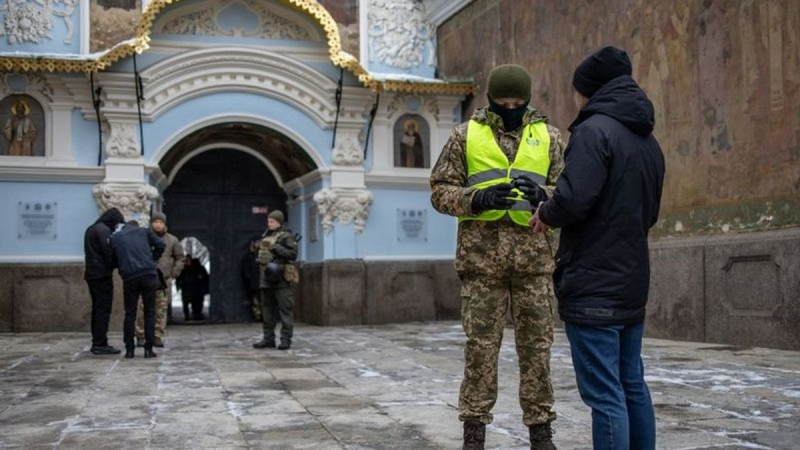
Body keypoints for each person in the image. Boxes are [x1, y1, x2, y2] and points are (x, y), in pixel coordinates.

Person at [530, 46, 665, 450]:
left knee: (605, 396)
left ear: (590, 91)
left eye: (579, 92)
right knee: (631, 384)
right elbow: (650, 212)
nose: (578, 100)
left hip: (593, 282)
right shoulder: (648, 141)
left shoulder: (593, 131)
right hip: (631, 279)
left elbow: (574, 199)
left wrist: (546, 212)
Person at [430, 64, 566, 450]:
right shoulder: (464, 137)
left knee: (537, 350)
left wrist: (546, 197)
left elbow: (572, 190)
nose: (510, 108)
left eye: (518, 103)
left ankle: (541, 432)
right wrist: (477, 199)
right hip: (481, 264)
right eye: (502, 102)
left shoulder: (550, 138)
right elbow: (440, 190)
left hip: (535, 263)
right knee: (480, 351)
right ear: (489, 99)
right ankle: (474, 433)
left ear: (528, 100)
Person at [110, 220, 165, 359]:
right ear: (137, 226)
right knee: (150, 312)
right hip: (148, 275)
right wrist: (152, 259)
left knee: (130, 313)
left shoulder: (116, 237)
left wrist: (123, 266)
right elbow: (161, 244)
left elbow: (112, 256)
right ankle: (148, 349)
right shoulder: (144, 232)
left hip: (130, 277)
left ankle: (129, 350)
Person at [135, 212, 184, 348]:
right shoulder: (144, 237)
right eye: (155, 222)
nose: (158, 224)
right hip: (145, 277)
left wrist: (174, 272)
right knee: (141, 307)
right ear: (151, 223)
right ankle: (140, 335)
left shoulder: (172, 240)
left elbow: (180, 257)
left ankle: (157, 335)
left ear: (164, 224)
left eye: (160, 222)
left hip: (163, 280)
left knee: (161, 309)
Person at [252, 210, 298, 351]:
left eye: (272, 221)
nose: (269, 223)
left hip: (281, 279)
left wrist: (276, 247)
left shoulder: (286, 236)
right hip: (266, 277)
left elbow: (292, 254)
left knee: (285, 310)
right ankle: (268, 339)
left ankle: (285, 340)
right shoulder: (266, 234)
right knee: (267, 311)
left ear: (279, 222)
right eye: (268, 221)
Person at [84, 208, 125, 355]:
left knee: (97, 309)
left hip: (92, 274)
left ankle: (97, 341)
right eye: (117, 223)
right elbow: (108, 254)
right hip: (101, 275)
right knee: (103, 310)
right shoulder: (104, 231)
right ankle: (100, 343)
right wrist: (117, 262)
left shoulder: (92, 229)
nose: (116, 227)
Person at [176, 256, 209, 321]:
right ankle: (187, 316)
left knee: (196, 303)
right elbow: (178, 278)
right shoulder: (183, 269)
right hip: (186, 288)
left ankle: (196, 315)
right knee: (185, 303)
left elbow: (205, 278)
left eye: (188, 260)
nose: (187, 262)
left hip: (195, 289)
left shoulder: (197, 268)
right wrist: (179, 285)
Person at [241, 237, 263, 322]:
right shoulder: (249, 257)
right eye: (257, 242)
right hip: (254, 284)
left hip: (263, 282)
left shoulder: (263, 255)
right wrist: (250, 279)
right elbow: (246, 271)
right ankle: (257, 316)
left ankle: (264, 316)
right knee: (255, 301)